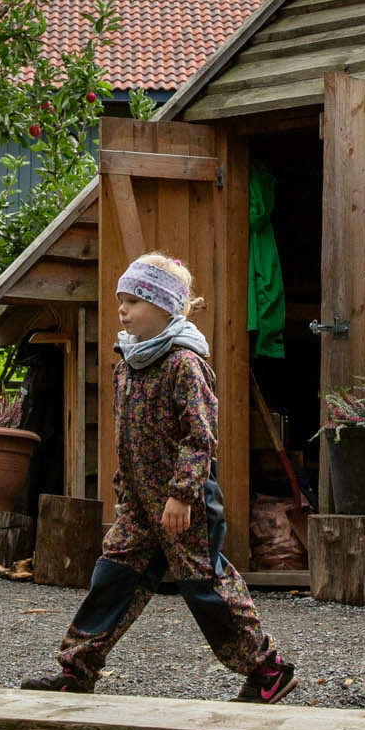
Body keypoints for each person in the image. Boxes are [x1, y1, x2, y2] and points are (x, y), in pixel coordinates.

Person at [22, 253, 297, 701]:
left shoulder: (184, 364)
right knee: (112, 580)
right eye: (120, 301)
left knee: (206, 588)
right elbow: (127, 441)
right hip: (140, 505)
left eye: (133, 301)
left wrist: (183, 495)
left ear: (165, 306)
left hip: (183, 505)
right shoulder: (127, 365)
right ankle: (77, 669)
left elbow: (200, 437)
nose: (123, 310)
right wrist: (125, 494)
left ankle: (268, 670)